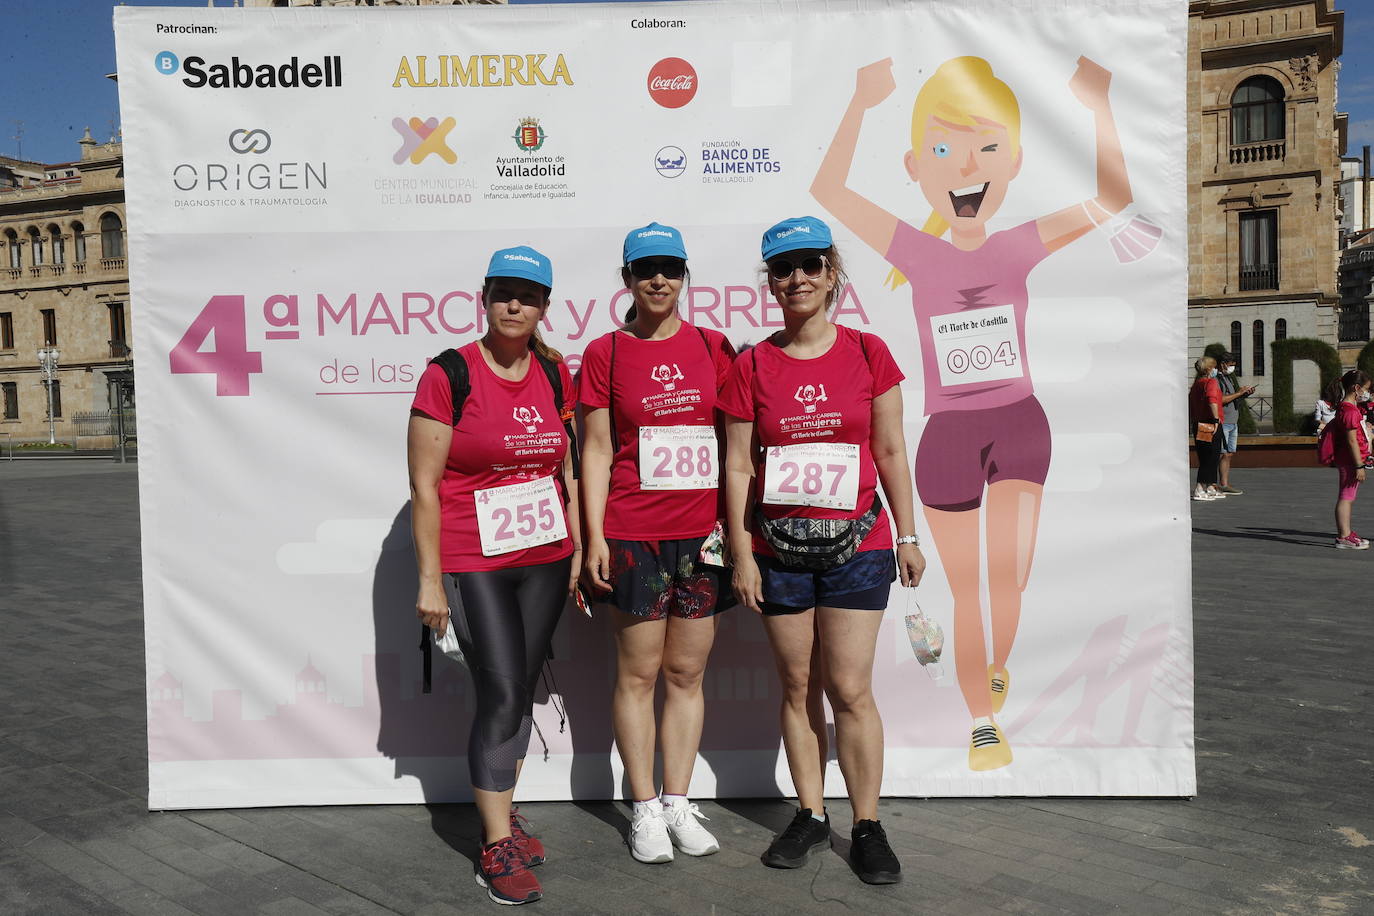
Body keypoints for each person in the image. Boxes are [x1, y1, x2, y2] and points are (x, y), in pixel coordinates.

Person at [811, 54, 1138, 770]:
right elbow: (828, 188)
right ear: (916, 165)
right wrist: (861, 102)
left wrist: (1098, 105)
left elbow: (1112, 196)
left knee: (1009, 577)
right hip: (950, 436)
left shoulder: (1020, 245)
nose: (966, 165)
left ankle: (993, 662)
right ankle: (984, 720)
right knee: (967, 592)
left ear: (1013, 163)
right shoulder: (918, 253)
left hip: (1020, 424)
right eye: (943, 149)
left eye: (986, 147)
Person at [718, 216, 926, 886]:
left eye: (811, 264)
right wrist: (742, 555)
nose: (798, 278)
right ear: (770, 282)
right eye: (784, 269)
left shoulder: (869, 354)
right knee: (798, 685)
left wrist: (908, 532)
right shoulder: (751, 365)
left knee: (850, 687)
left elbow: (890, 450)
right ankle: (809, 811)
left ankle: (865, 824)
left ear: (832, 273)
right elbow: (740, 468)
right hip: (776, 551)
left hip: (858, 547)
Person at [408, 246, 579, 906]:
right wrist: (429, 580)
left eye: (529, 295)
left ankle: (502, 815)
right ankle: (495, 845)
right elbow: (424, 486)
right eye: (505, 292)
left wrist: (580, 548)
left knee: (520, 688)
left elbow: (565, 472)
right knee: (504, 695)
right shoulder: (449, 373)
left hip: (545, 556)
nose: (516, 304)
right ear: (485, 297)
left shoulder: (556, 374)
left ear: (544, 306)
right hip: (475, 558)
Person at [578, 222, 737, 864]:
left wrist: (736, 526)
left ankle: (678, 799)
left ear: (684, 275)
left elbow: (737, 449)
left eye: (670, 268)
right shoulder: (605, 353)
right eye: (645, 270)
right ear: (627, 280)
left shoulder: (715, 347)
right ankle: (643, 808)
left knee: (686, 673)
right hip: (633, 533)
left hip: (703, 537)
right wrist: (593, 536)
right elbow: (592, 449)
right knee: (639, 673)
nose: (658, 280)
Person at [1328, 369, 1372, 549]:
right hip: (1350, 461)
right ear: (1356, 388)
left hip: (1347, 459)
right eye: (1366, 389)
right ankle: (1343, 536)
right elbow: (1351, 440)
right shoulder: (1350, 411)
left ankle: (1346, 532)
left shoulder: (1347, 408)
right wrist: (1359, 465)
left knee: (1348, 495)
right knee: (1346, 496)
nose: (1367, 393)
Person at [1215, 352, 1256, 495]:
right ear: (1222, 364)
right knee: (1221, 453)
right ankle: (1213, 485)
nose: (1233, 368)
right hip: (1223, 421)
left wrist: (1244, 394)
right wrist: (1239, 393)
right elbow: (1221, 400)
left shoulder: (1229, 378)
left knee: (1229, 453)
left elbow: (1232, 400)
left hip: (1233, 421)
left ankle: (1224, 484)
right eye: (1231, 365)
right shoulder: (1216, 379)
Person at [1190, 356, 1225, 501]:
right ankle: (1199, 488)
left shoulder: (1196, 384)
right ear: (1209, 369)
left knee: (1210, 455)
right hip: (1210, 423)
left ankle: (1210, 486)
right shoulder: (1211, 382)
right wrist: (1216, 419)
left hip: (1199, 422)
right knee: (1209, 456)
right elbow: (1212, 400)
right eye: (1214, 366)